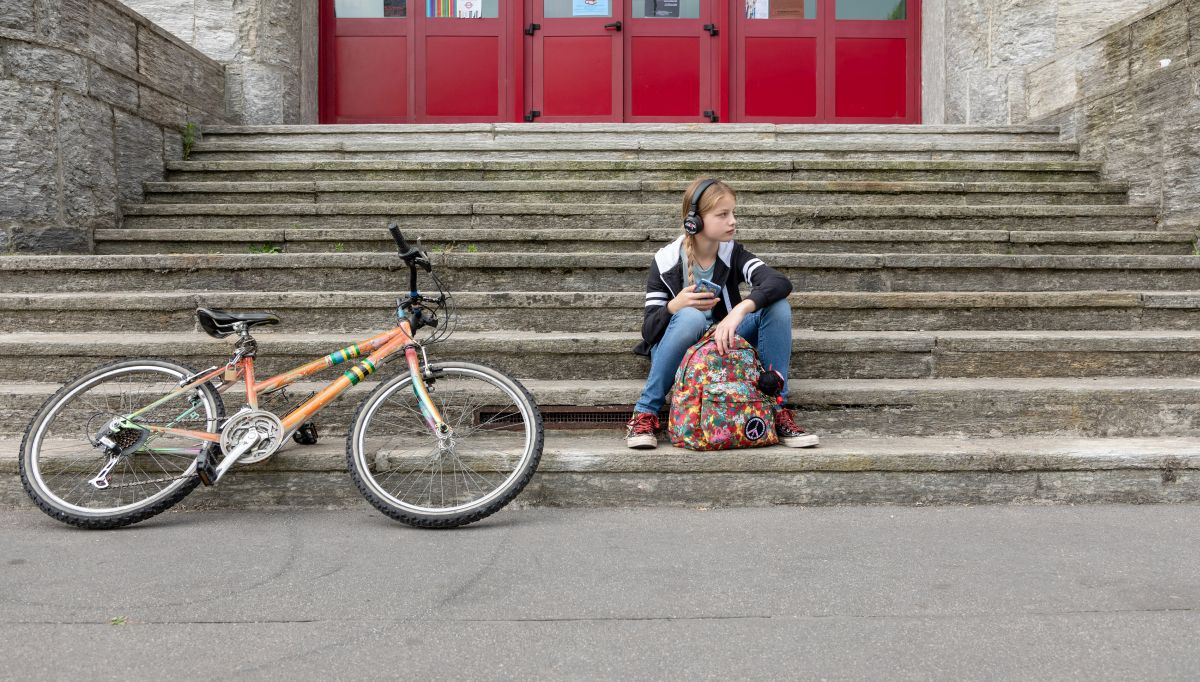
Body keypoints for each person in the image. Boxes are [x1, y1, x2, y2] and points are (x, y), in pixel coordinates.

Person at [625, 177, 820, 450]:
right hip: (680, 351)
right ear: (695, 221)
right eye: (723, 214)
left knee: (778, 306)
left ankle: (776, 409)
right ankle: (645, 412)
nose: (733, 221)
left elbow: (778, 282)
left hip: (724, 341)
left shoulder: (733, 253)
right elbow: (648, 332)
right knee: (691, 317)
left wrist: (740, 310)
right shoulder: (666, 261)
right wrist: (673, 306)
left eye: (733, 213)